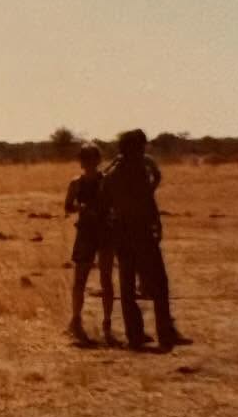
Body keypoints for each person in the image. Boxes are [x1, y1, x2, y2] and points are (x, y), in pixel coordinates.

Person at [100, 129, 191, 351]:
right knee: (158, 283)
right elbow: (147, 199)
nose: (143, 150)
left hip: (123, 232)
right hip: (139, 232)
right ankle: (165, 333)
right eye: (140, 147)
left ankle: (136, 335)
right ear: (132, 148)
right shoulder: (136, 170)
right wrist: (155, 223)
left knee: (128, 285)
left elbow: (106, 202)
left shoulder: (115, 172)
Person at [64, 143, 115, 346]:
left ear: (98, 160)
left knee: (106, 279)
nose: (88, 162)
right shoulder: (76, 183)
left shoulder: (107, 182)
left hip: (105, 233)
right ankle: (76, 321)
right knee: (80, 280)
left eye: (92, 158)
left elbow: (115, 204)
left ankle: (107, 324)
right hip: (85, 233)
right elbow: (68, 206)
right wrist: (81, 208)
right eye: (85, 159)